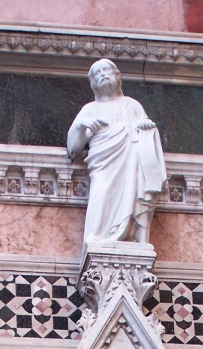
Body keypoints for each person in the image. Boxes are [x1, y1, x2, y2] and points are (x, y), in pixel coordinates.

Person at [67, 59, 167, 249]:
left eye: (107, 71)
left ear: (117, 76)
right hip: (102, 163)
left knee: (128, 192)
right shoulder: (89, 109)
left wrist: (145, 127)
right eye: (98, 74)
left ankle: (123, 234)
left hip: (129, 162)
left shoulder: (132, 105)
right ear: (94, 83)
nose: (103, 75)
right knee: (101, 192)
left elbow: (145, 130)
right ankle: (97, 236)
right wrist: (82, 125)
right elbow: (73, 148)